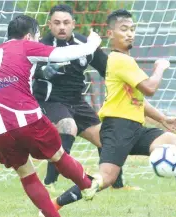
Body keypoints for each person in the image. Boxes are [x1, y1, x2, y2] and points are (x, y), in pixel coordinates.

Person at [47, 9, 176, 214]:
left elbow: (136, 99)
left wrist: (162, 119)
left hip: (134, 127)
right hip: (118, 128)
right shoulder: (120, 60)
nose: (129, 33)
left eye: (132, 29)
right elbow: (150, 89)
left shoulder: (124, 61)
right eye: (123, 29)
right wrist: (161, 67)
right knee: (104, 179)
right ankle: (53, 205)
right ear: (110, 34)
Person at [0, 15, 103, 217]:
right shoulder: (26, 46)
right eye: (37, 36)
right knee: (57, 155)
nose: (38, 40)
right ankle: (87, 185)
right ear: (29, 36)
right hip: (24, 115)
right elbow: (64, 53)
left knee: (26, 173)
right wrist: (92, 44)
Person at [33, 4, 129, 191]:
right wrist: (43, 72)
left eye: (66, 22)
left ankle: (117, 186)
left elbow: (108, 69)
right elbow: (29, 71)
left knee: (106, 137)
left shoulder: (85, 44)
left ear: (73, 24)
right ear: (49, 25)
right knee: (68, 126)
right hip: (49, 101)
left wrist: (123, 83)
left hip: (77, 102)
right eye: (57, 23)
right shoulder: (41, 47)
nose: (62, 27)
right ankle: (50, 183)